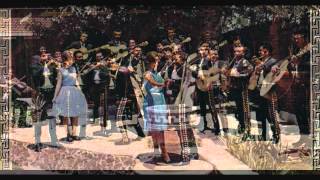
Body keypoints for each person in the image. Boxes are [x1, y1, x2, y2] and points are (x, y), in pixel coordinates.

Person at [52, 51, 88, 142]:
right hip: (65, 91)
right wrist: (55, 96)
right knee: (65, 114)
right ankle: (68, 134)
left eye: (72, 58)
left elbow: (76, 81)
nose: (72, 60)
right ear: (65, 59)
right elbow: (58, 84)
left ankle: (74, 134)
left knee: (75, 113)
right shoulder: (61, 70)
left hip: (74, 91)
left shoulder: (74, 69)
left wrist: (80, 91)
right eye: (70, 58)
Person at [142, 51, 171, 163]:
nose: (158, 63)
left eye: (158, 60)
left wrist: (166, 82)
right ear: (151, 62)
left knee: (161, 129)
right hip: (151, 102)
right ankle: (159, 151)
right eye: (156, 61)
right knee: (154, 130)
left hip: (160, 101)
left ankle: (163, 152)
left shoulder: (157, 73)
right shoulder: (147, 73)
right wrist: (163, 84)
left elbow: (161, 83)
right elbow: (154, 83)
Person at [253, 42, 280, 144]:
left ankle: (276, 135)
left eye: (262, 51)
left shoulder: (273, 61)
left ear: (267, 52)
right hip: (260, 90)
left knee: (271, 114)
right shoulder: (261, 62)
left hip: (269, 91)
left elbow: (273, 71)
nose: (260, 52)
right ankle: (263, 135)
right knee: (261, 114)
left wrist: (261, 65)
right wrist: (257, 69)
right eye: (260, 51)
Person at [191, 44, 219, 134]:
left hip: (207, 86)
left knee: (211, 107)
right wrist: (196, 73)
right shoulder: (199, 60)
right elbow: (194, 73)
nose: (202, 51)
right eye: (201, 50)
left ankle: (217, 127)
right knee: (202, 106)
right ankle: (205, 124)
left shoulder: (209, 60)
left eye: (204, 50)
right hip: (200, 86)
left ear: (207, 51)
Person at [227, 44, 253, 140]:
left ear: (243, 53)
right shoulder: (234, 62)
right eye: (235, 51)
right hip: (235, 88)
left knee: (245, 109)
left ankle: (247, 130)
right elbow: (229, 72)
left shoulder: (245, 62)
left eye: (239, 51)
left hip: (242, 89)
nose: (236, 53)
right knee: (238, 109)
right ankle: (241, 126)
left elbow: (249, 72)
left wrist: (238, 75)